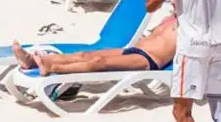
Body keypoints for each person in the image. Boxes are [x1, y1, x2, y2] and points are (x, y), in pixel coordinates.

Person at [13, 14, 177, 76]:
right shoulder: (167, 19)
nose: (171, 0)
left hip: (148, 60)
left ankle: (53, 68)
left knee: (98, 62)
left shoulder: (187, 25)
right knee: (83, 55)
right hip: (133, 50)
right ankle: (32, 61)